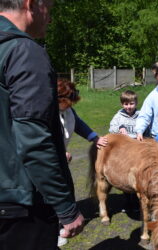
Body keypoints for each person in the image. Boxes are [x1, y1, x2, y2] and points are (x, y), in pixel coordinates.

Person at [0, 1, 84, 249]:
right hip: (22, 208)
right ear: (31, 4)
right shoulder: (23, 52)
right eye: (51, 8)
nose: (51, 18)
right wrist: (66, 209)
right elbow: (33, 139)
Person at [57, 78, 107, 246]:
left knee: (67, 188)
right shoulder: (44, 112)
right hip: (48, 159)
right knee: (53, 192)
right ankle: (55, 228)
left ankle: (65, 220)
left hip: (60, 159)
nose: (71, 106)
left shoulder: (67, 110)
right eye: (67, 103)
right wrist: (58, 152)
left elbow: (77, 123)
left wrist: (94, 138)